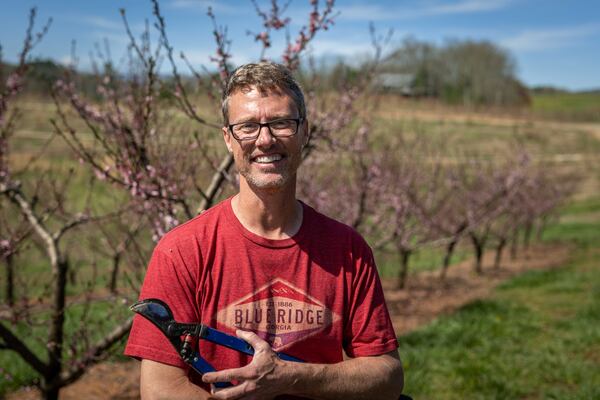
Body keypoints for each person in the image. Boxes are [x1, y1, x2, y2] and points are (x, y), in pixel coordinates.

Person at [125, 61, 404, 400]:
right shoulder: (181, 251)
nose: (266, 139)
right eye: (247, 127)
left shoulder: (347, 250)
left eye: (282, 123)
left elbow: (387, 377)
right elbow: (160, 392)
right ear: (228, 139)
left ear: (304, 132)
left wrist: (291, 376)